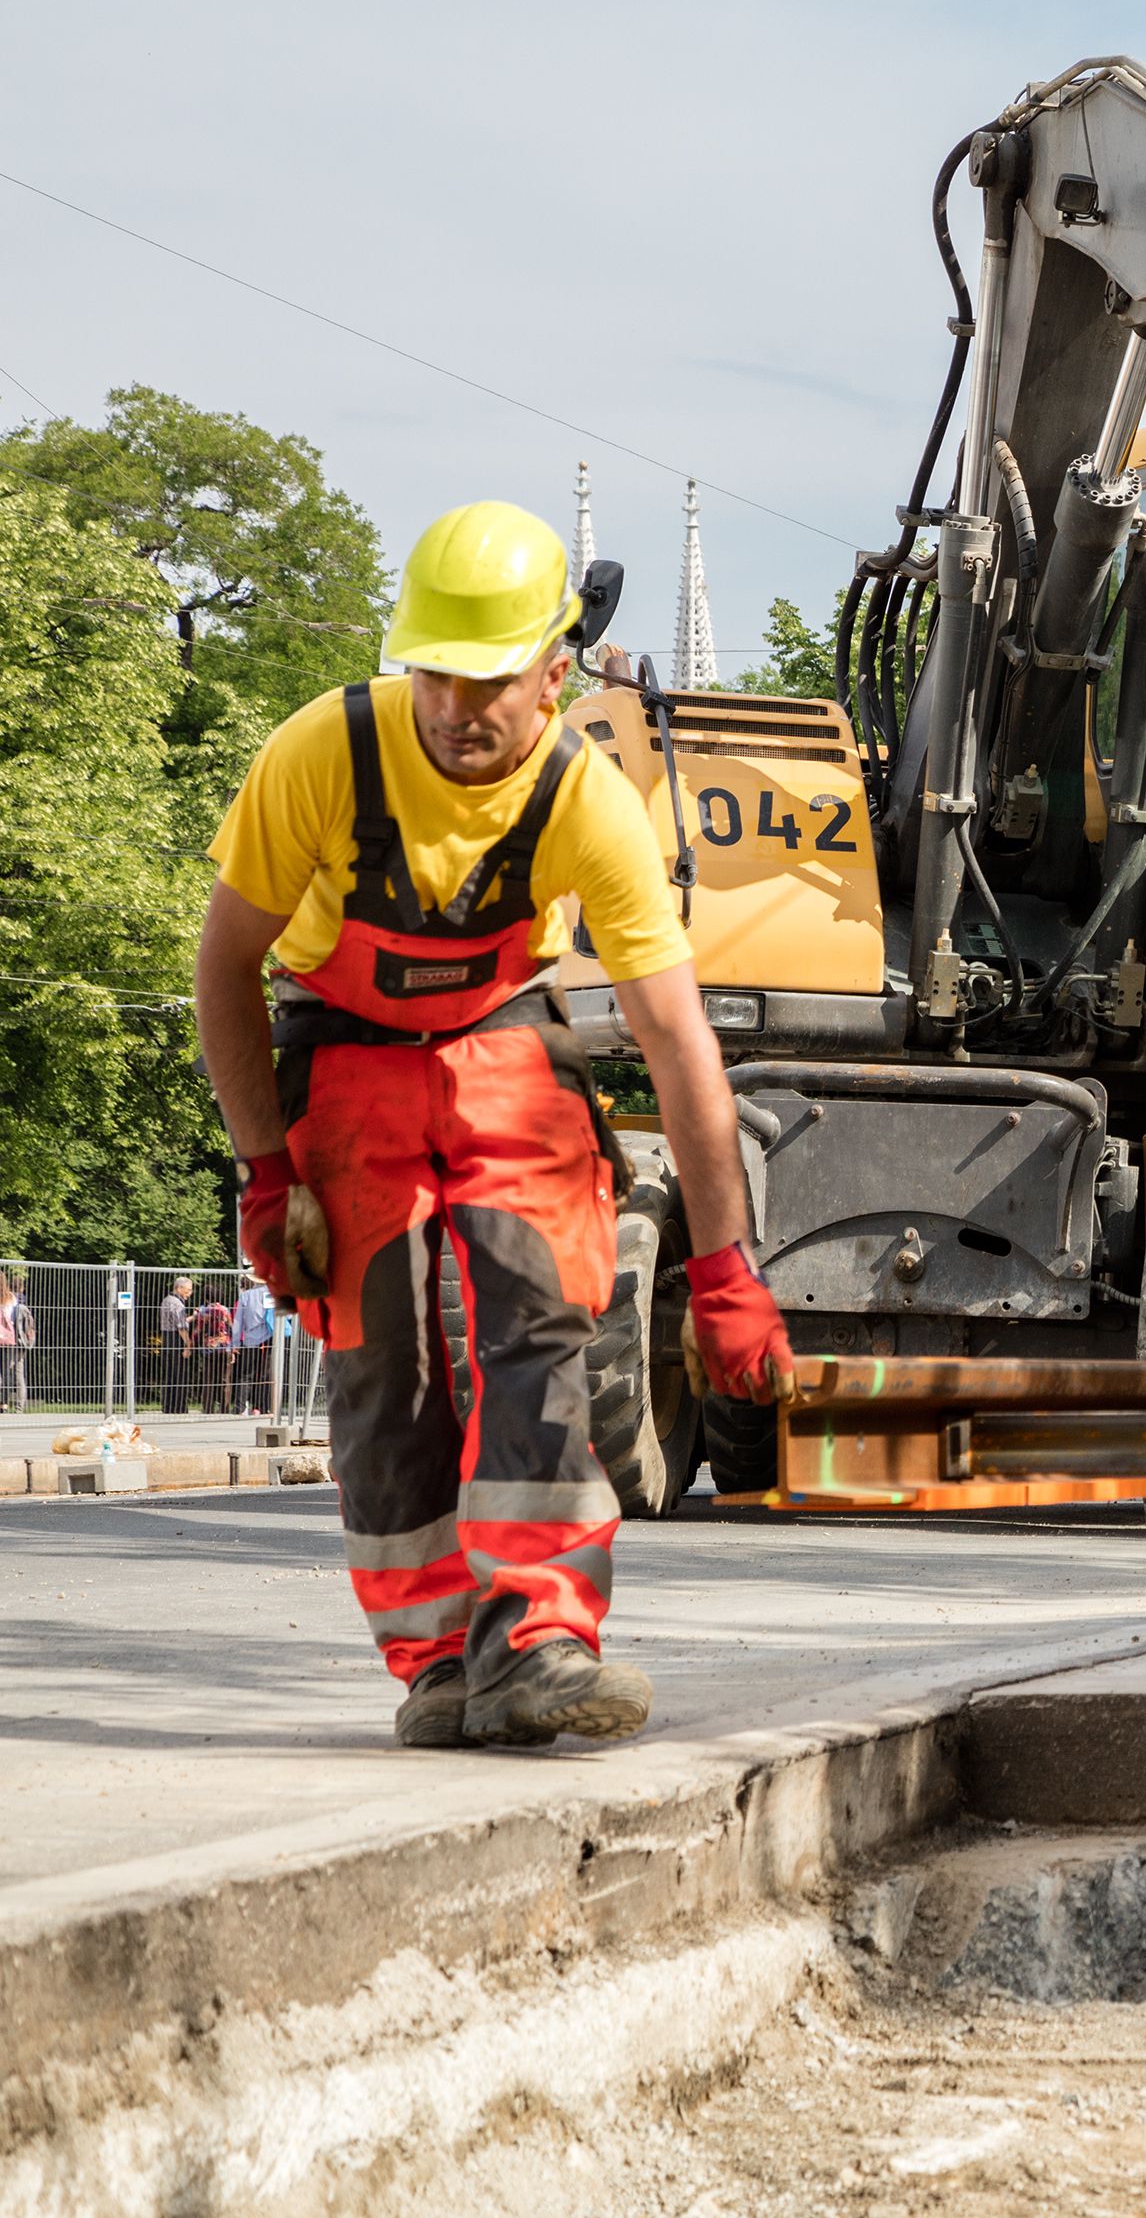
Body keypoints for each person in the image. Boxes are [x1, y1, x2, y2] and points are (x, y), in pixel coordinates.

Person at [195, 500, 792, 1751]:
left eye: (492, 681)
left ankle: (536, 1640)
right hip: (341, 1040)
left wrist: (728, 1263)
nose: (459, 709)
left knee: (540, 1316)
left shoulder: (590, 798)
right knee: (384, 1359)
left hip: (501, 1034)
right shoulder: (320, 755)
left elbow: (679, 1038)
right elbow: (225, 967)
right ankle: (437, 1667)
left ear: (555, 673)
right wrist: (264, 1172)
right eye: (437, 677)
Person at [233, 1275, 276, 1416]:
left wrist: (235, 1343)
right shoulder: (273, 1294)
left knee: (245, 1375)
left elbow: (238, 1321)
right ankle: (260, 1407)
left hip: (249, 1340)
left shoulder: (245, 1296)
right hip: (268, 1339)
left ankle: (240, 1408)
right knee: (264, 1375)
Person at [188, 1288, 235, 1411]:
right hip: (224, 1347)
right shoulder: (225, 1310)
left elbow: (197, 1331)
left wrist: (190, 1345)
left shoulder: (204, 1311)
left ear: (206, 1297)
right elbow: (231, 1329)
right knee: (225, 1378)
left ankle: (208, 1407)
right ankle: (224, 1408)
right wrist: (233, 1347)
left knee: (208, 1378)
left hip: (208, 1347)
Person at [157, 1275, 193, 1411]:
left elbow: (176, 1321)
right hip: (176, 1339)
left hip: (167, 1338)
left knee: (169, 1374)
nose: (190, 1293)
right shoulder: (177, 1304)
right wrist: (188, 1344)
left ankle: (168, 1405)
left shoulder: (166, 1300)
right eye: (188, 1290)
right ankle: (179, 1406)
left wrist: (191, 1318)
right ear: (179, 1288)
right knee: (179, 1374)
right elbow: (181, 1327)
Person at [0, 1271, 29, 1412]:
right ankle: (11, 1406)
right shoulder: (12, 1298)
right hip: (10, 1340)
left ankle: (4, 1404)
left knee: (5, 1374)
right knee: (12, 1373)